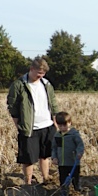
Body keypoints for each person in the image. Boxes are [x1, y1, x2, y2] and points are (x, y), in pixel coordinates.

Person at [7, 57, 59, 185]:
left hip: (47, 126)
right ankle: (28, 183)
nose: (41, 76)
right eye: (39, 73)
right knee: (28, 159)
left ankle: (46, 178)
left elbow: (53, 104)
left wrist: (55, 122)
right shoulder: (19, 85)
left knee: (45, 155)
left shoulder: (46, 84)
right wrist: (18, 124)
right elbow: (12, 106)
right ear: (31, 69)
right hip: (29, 128)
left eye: (43, 74)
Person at [51, 112, 84, 196]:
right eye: (60, 126)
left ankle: (77, 188)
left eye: (64, 125)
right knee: (62, 177)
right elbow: (54, 148)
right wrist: (54, 157)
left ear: (69, 123)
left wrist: (79, 152)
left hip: (73, 161)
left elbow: (80, 145)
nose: (62, 128)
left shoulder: (74, 134)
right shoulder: (57, 136)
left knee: (75, 176)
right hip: (62, 162)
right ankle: (64, 189)